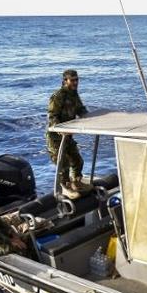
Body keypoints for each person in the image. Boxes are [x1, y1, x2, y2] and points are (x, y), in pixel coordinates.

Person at [46, 69, 91, 199]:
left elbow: (81, 110)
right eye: (73, 80)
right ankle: (65, 187)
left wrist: (90, 118)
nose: (76, 82)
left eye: (77, 80)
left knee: (77, 160)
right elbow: (52, 116)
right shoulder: (58, 96)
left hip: (68, 136)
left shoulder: (74, 94)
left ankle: (75, 182)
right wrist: (60, 129)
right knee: (63, 163)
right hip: (55, 137)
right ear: (65, 81)